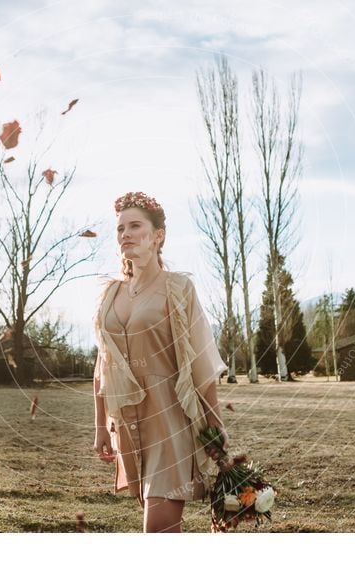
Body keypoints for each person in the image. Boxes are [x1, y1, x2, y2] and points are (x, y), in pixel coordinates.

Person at [92, 191, 229, 533]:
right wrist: (100, 427)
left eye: (134, 225)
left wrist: (214, 425)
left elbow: (200, 360)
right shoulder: (110, 294)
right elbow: (103, 366)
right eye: (120, 228)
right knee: (162, 527)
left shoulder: (178, 288)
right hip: (128, 423)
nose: (125, 233)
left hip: (171, 419)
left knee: (158, 529)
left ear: (158, 236)